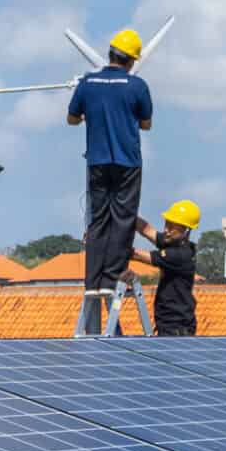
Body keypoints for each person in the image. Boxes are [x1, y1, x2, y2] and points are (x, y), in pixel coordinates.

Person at [69, 29, 153, 333]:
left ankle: (93, 280)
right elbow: (146, 123)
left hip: (97, 160)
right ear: (132, 60)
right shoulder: (137, 86)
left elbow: (72, 118)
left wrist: (93, 115)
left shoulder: (87, 83)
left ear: (110, 53)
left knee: (99, 220)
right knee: (123, 218)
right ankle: (112, 275)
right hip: (127, 161)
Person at [133, 200, 202, 337]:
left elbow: (137, 255)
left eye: (171, 227)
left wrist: (107, 245)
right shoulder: (172, 241)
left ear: (186, 231)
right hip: (168, 325)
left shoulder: (180, 255)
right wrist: (126, 214)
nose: (166, 230)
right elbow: (147, 230)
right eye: (166, 224)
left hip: (176, 329)